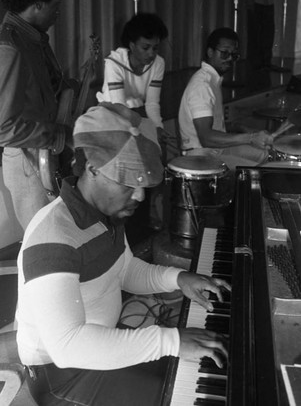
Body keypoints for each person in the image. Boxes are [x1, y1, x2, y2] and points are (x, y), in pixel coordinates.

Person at [16, 102, 230, 406]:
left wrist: (178, 279)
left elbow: (125, 270)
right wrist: (169, 340)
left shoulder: (105, 214)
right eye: (127, 182)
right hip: (62, 376)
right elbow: (67, 346)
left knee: (194, 370)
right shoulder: (53, 238)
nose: (140, 195)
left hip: (99, 346)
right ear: (92, 168)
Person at [0, 0, 72, 231]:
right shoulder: (10, 47)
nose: (58, 11)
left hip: (44, 156)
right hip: (28, 163)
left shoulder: (32, 38)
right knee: (41, 246)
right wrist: (61, 136)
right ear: (38, 4)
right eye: (56, 4)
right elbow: (4, 128)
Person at [98, 12, 172, 229]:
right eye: (145, 47)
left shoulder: (158, 63)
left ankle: (143, 223)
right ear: (131, 44)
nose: (151, 53)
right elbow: (120, 109)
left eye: (155, 47)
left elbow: (152, 104)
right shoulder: (113, 63)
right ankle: (119, 227)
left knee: (153, 161)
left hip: (138, 115)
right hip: (111, 116)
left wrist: (157, 129)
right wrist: (143, 137)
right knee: (128, 170)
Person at [178, 27, 274, 170]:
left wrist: (241, 127)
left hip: (216, 149)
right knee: (257, 172)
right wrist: (251, 137)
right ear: (210, 52)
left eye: (233, 55)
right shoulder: (202, 86)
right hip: (200, 155)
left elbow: (215, 125)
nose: (229, 59)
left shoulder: (213, 80)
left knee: (265, 155)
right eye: (224, 53)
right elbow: (206, 137)